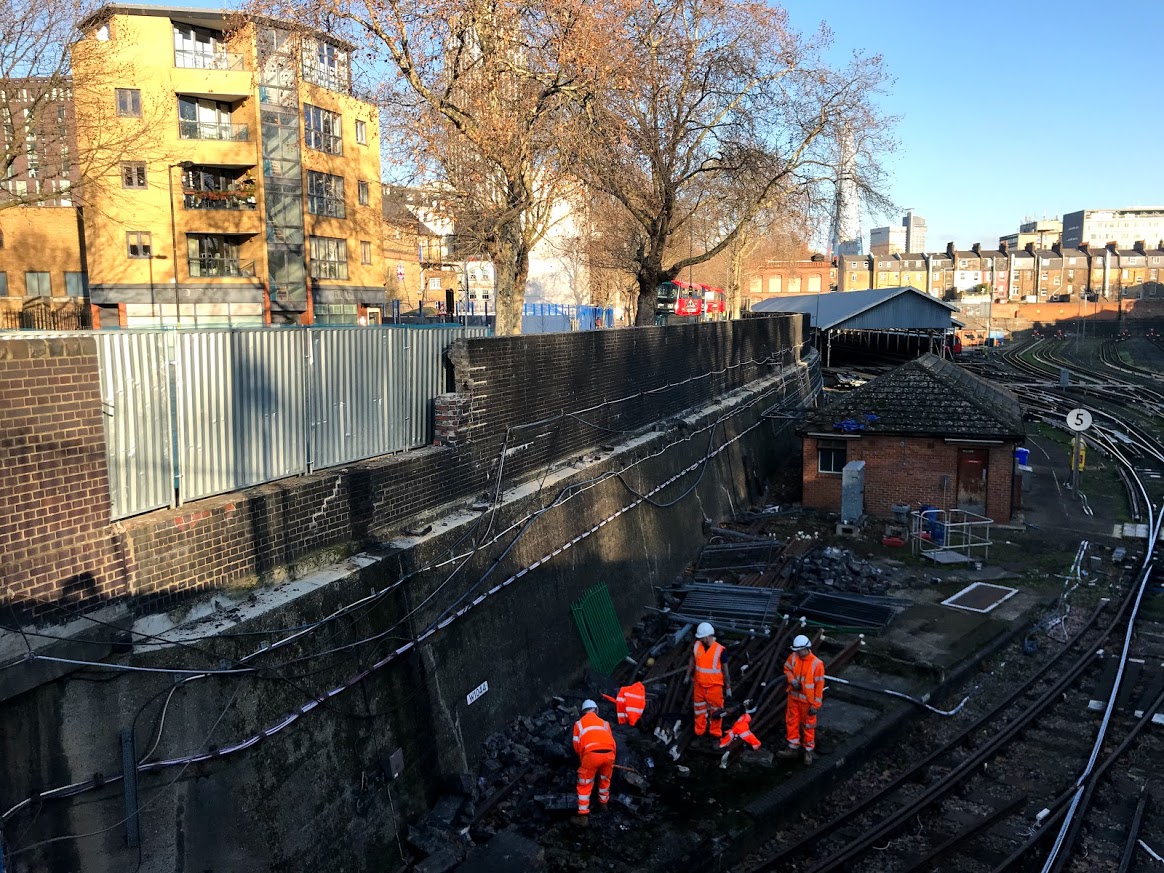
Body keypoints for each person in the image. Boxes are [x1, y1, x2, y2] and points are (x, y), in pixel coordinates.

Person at [777, 634, 826, 764]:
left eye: (800, 650)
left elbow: (819, 686)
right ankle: (792, 748)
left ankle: (808, 751)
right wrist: (792, 680)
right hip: (794, 698)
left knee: (808, 726)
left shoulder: (817, 664)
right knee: (792, 723)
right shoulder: (793, 657)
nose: (798, 653)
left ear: (806, 648)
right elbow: (787, 669)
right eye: (796, 650)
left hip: (808, 702)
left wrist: (816, 705)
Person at [571, 699, 616, 823]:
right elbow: (612, 742)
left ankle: (583, 817)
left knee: (585, 784)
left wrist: (584, 758)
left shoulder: (578, 724)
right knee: (605, 780)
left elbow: (576, 745)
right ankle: (604, 805)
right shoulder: (605, 724)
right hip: (609, 754)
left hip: (591, 755)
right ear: (596, 710)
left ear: (583, 712)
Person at [687, 622, 731, 740]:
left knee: (716, 712)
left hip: (714, 687)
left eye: (702, 638)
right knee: (699, 710)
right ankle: (699, 732)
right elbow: (692, 659)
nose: (700, 640)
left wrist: (728, 687)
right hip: (699, 685)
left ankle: (715, 733)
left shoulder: (720, 650)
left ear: (707, 636)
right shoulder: (697, 646)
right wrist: (687, 675)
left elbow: (725, 670)